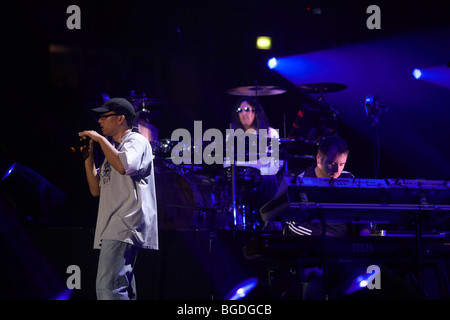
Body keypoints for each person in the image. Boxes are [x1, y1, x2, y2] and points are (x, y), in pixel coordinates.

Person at [78, 97, 158, 300]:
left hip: (125, 224)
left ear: (121, 118)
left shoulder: (136, 141)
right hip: (114, 225)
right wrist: (89, 158)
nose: (99, 121)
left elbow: (124, 166)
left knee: (108, 288)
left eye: (105, 116)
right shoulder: (115, 150)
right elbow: (96, 190)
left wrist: (100, 140)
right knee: (122, 289)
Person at [283, 135, 371, 236]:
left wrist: (365, 231)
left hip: (346, 244)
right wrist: (323, 237)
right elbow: (292, 223)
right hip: (314, 244)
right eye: (332, 163)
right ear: (318, 159)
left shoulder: (349, 179)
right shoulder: (300, 182)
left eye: (342, 164)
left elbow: (364, 211)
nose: (337, 170)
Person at [216, 97, 281, 229]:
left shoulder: (270, 133)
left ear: (256, 112)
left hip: (263, 181)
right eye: (239, 110)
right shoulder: (232, 136)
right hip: (239, 183)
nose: (243, 113)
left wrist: (254, 173)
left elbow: (276, 164)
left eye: (247, 109)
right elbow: (227, 164)